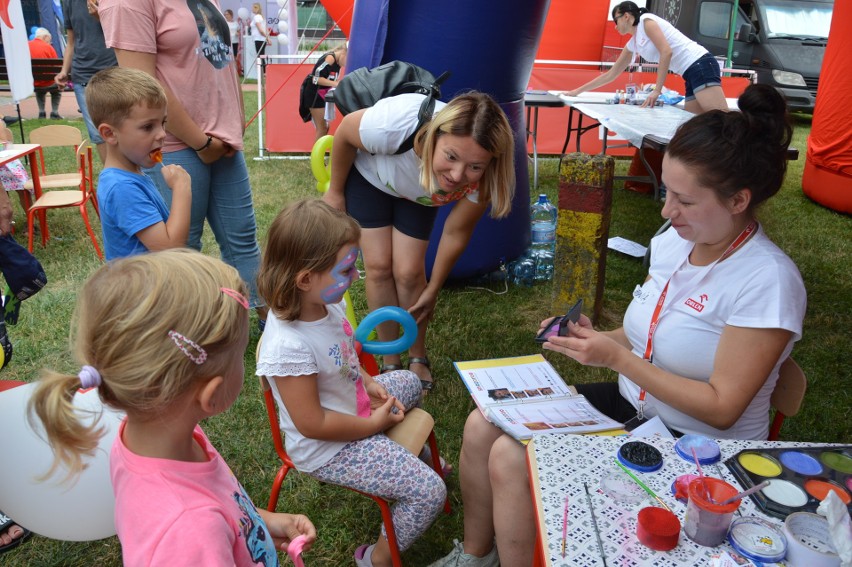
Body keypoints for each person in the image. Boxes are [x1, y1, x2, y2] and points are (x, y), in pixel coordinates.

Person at [429, 83, 806, 567]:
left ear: (739, 201)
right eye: (667, 192)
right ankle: (478, 555)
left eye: (685, 201)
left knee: (508, 456)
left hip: (695, 449)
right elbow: (648, 332)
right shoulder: (676, 239)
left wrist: (618, 358)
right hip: (635, 411)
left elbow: (722, 409)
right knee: (484, 424)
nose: (667, 211)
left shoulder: (767, 281)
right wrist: (593, 338)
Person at [28, 249, 316, 565]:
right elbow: (197, 529)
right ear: (211, 394)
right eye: (240, 355)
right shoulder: (190, 530)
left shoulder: (155, 438)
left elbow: (221, 501)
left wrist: (261, 523)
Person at [256, 199, 446, 567]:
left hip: (354, 411)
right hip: (328, 449)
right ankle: (376, 558)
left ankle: (413, 458)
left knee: (408, 381)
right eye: (345, 271)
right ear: (305, 279)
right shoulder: (288, 346)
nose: (355, 278)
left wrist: (369, 382)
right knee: (428, 492)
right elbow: (312, 423)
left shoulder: (327, 303)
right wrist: (372, 425)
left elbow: (343, 356)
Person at [323, 91, 514, 391]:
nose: (457, 174)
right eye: (451, 156)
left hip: (421, 195)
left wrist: (434, 288)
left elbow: (456, 232)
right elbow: (346, 131)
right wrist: (335, 191)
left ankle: (417, 355)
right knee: (379, 266)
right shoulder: (393, 124)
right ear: (435, 135)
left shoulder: (486, 175)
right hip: (372, 178)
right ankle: (390, 359)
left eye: (474, 166)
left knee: (411, 273)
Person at [99, 0, 265, 321]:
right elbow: (142, 88)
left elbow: (216, 63)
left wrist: (228, 125)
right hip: (176, 143)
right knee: (181, 251)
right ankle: (182, 332)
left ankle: (266, 330)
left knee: (243, 240)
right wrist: (201, 143)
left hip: (221, 140)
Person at [86, 67, 191, 260]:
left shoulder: (132, 175)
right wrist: (182, 188)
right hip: (142, 290)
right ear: (109, 134)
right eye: (148, 127)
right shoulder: (122, 187)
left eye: (163, 123)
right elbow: (170, 249)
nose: (162, 134)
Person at [566, 1, 728, 114]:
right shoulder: (633, 43)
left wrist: (657, 90)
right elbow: (611, 74)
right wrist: (577, 91)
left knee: (722, 118)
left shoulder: (646, 21)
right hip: (690, 72)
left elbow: (666, 52)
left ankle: (747, 155)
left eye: (616, 20)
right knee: (695, 125)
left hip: (700, 64)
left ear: (627, 16)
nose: (615, 26)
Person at [55, 0, 118, 163]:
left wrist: (101, 16)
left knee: (120, 126)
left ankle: (127, 175)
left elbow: (124, 32)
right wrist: (64, 71)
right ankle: (111, 176)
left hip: (113, 70)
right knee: (98, 132)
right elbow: (71, 41)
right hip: (83, 74)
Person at [298, 45, 347, 141]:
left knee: (325, 128)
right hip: (314, 96)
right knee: (322, 128)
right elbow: (316, 79)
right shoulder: (330, 58)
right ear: (343, 52)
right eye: (348, 58)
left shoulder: (338, 63)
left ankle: (319, 153)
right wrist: (335, 84)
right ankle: (316, 155)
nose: (347, 63)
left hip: (322, 96)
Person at [27, 28, 62, 120]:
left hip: (34, 84)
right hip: (49, 83)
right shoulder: (48, 47)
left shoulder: (26, 45)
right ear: (45, 36)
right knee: (57, 91)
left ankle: (41, 112)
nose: (49, 42)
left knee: (39, 89)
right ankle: (54, 112)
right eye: (49, 39)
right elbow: (56, 66)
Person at [249, 2, 271, 75]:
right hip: (261, 39)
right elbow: (265, 29)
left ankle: (264, 72)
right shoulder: (261, 17)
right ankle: (264, 72)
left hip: (259, 39)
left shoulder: (256, 17)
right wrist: (268, 38)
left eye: (254, 7)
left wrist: (267, 38)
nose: (252, 8)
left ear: (257, 9)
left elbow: (261, 30)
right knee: (261, 55)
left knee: (260, 56)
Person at [223, 9, 241, 76]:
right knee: (227, 56)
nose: (226, 16)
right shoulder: (225, 22)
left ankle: (235, 73)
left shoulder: (235, 23)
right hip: (227, 41)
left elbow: (239, 30)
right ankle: (227, 73)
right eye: (225, 14)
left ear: (231, 15)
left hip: (234, 41)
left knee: (235, 57)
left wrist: (237, 33)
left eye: (227, 14)